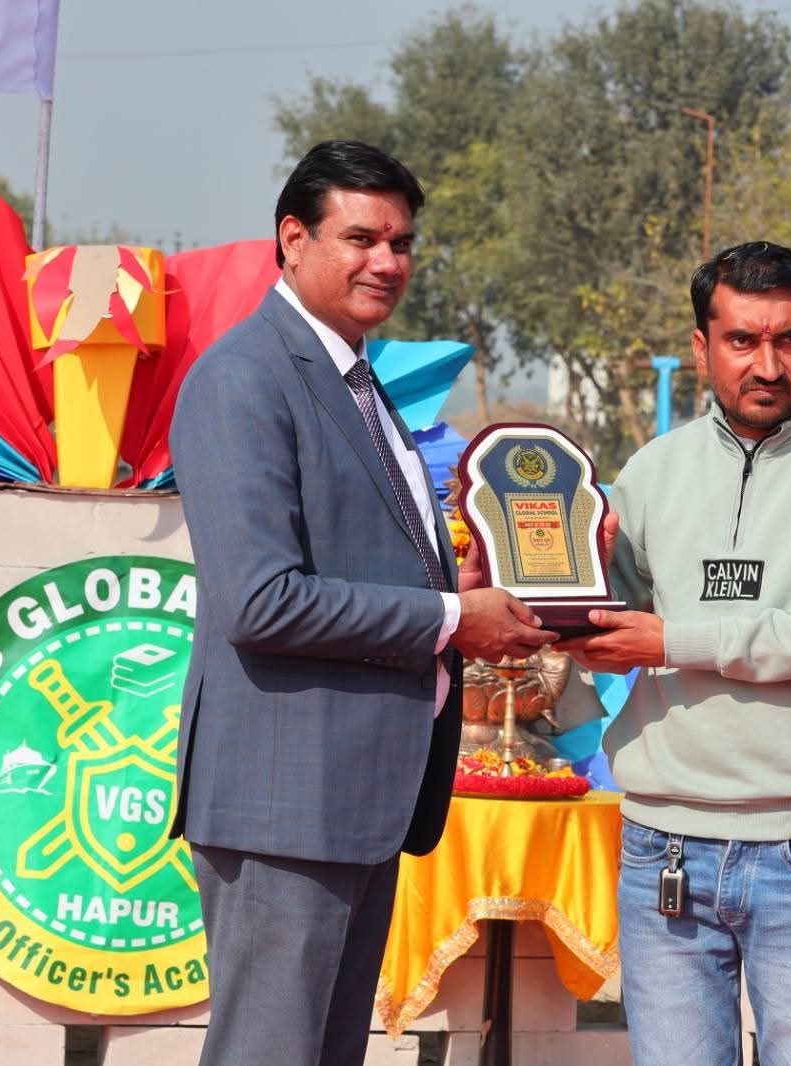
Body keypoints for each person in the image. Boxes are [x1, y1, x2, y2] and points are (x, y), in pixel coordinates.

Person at [168, 139, 555, 1066]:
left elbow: (364, 564)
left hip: (358, 799)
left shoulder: (357, 379)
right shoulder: (244, 377)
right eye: (361, 238)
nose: (387, 261)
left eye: (402, 242)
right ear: (292, 239)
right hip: (284, 802)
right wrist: (452, 620)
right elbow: (260, 600)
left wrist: (460, 594)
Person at [555, 241, 791, 1066]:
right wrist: (542, 577)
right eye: (743, 341)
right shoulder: (653, 470)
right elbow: (607, 627)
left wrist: (673, 639)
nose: (769, 364)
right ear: (701, 347)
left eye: (789, 339)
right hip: (663, 842)